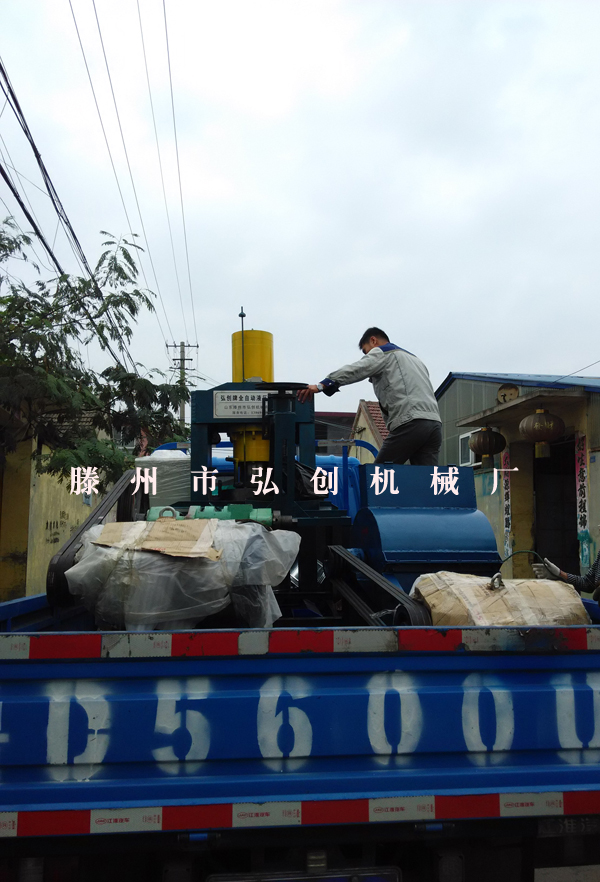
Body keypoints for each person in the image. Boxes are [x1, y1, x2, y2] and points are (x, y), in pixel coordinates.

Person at [298, 326, 442, 465]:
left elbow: (358, 369)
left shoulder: (384, 352)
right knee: (428, 477)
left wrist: (323, 384)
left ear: (373, 340)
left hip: (410, 422)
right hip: (434, 425)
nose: (367, 356)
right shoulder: (416, 360)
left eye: (366, 352)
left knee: (379, 474)